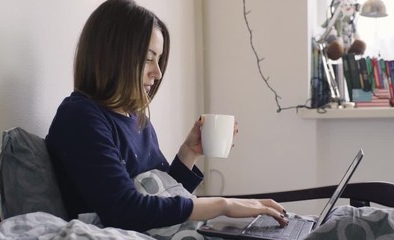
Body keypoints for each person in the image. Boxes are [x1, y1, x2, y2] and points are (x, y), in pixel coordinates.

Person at [45, 0, 288, 233]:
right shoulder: (80, 118)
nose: (158, 72)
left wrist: (188, 153)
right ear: (113, 55)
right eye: (148, 58)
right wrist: (222, 205)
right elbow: (125, 209)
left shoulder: (135, 116)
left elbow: (158, 195)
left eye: (159, 59)